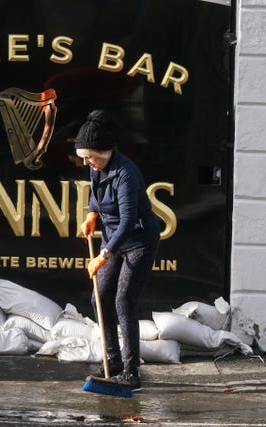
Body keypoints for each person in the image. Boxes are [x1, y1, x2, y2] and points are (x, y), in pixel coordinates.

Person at [75, 109, 160, 390]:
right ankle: (112, 360)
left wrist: (103, 255)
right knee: (99, 297)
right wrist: (91, 213)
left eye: (90, 156)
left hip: (138, 241)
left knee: (123, 300)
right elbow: (96, 195)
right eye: (84, 157)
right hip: (112, 239)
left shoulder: (126, 174)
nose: (87, 162)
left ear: (106, 150)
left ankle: (131, 370)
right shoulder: (96, 166)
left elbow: (126, 223)